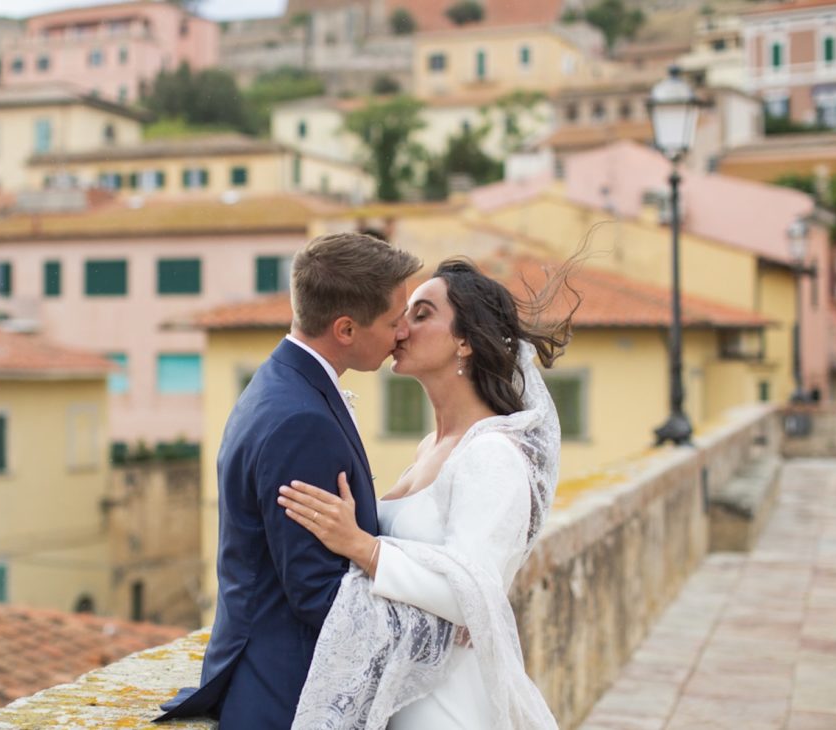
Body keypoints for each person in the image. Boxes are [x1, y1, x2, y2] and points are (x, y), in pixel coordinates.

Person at [276, 257, 575, 729]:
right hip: (405, 690)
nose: (400, 330)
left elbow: (473, 597)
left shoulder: (492, 454)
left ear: (465, 341)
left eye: (421, 315)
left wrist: (362, 546)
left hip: (447, 704)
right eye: (402, 316)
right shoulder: (430, 447)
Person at [155, 232, 422, 729]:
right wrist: (435, 625)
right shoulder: (303, 422)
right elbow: (318, 593)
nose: (402, 332)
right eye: (393, 320)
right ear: (345, 328)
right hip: (285, 696)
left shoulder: (278, 383)